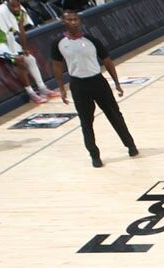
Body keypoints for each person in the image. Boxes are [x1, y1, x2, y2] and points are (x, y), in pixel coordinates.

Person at [50, 10, 136, 167]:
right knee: (86, 121)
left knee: (115, 115)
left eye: (76, 19)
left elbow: (107, 61)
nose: (74, 22)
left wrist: (116, 82)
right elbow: (56, 65)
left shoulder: (91, 39)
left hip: (98, 82)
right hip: (78, 85)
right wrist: (61, 88)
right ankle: (94, 155)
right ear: (63, 21)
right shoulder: (58, 43)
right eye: (70, 19)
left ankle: (130, 145)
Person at [0, 0, 53, 104]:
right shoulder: (2, 11)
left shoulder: (20, 10)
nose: (16, 8)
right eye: (13, 6)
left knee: (30, 59)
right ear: (7, 3)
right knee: (19, 61)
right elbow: (9, 34)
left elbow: (21, 30)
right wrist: (15, 54)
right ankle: (31, 94)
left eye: (17, 5)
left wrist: (24, 49)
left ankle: (42, 88)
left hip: (5, 39)